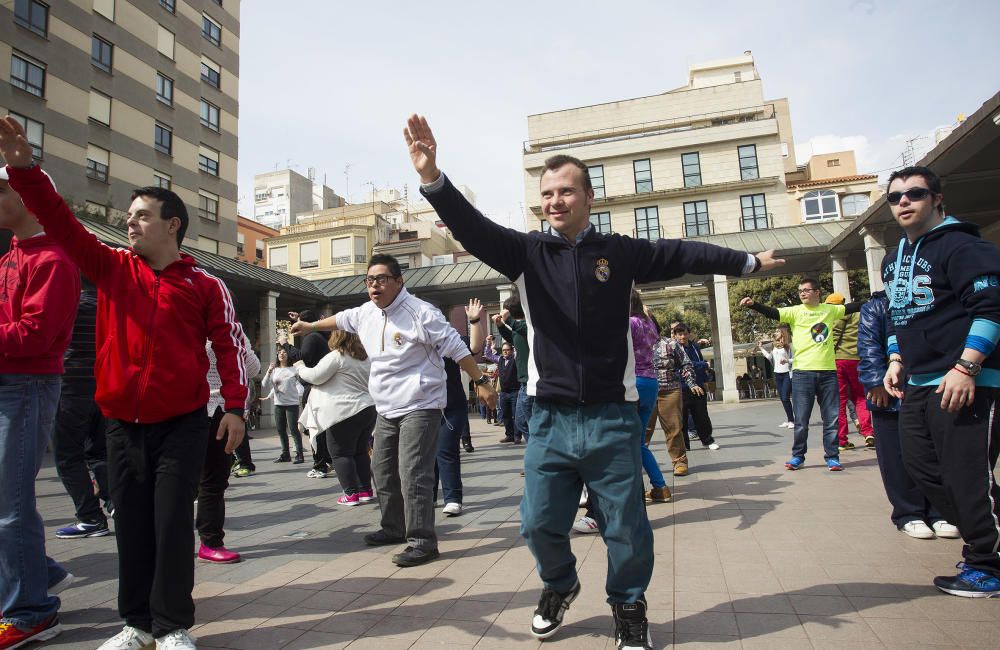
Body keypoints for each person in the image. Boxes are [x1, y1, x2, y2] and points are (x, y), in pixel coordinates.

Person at [403, 114, 782, 648]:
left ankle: (629, 606)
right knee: (537, 524)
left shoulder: (619, 253)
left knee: (625, 526)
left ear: (588, 197)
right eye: (546, 194)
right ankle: (559, 586)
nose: (554, 201)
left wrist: (743, 262)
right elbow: (472, 227)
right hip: (550, 418)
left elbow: (682, 252)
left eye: (565, 191)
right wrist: (433, 176)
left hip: (611, 415)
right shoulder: (527, 253)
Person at [0, 115, 249, 650]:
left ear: (173, 225)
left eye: (141, 216)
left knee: (170, 524)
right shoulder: (110, 267)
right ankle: (135, 625)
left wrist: (234, 407)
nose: (129, 224)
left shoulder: (206, 286)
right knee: (132, 524)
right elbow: (61, 222)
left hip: (182, 424)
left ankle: (173, 626)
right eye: (128, 216)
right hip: (119, 422)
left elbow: (229, 345)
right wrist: (25, 170)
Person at [292, 254, 497, 567]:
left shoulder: (421, 313)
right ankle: (393, 527)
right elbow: (341, 318)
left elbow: (456, 348)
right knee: (382, 471)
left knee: (413, 472)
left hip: (421, 403)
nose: (375, 285)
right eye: (370, 280)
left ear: (399, 281)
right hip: (385, 408)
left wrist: (481, 381)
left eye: (383, 278)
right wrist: (310, 325)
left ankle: (423, 541)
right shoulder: (366, 313)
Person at [880, 166, 1000, 597]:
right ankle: (989, 539)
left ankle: (987, 563)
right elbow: (899, 315)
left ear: (936, 199)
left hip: (966, 378)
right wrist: (896, 357)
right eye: (895, 197)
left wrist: (967, 366)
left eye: (914, 194)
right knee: (922, 469)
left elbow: (991, 308)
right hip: (918, 380)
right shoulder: (892, 259)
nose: (904, 203)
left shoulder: (963, 246)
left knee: (967, 476)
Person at [0, 164, 79, 648]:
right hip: (12, 382)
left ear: (24, 196)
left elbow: (36, 335)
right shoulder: (12, 254)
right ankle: (38, 574)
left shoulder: (52, 258)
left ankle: (31, 610)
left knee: (10, 506)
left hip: (26, 385)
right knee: (8, 502)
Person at [858, 291, 958, 540]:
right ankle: (908, 513)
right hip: (890, 394)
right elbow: (868, 346)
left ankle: (941, 511)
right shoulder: (876, 307)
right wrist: (874, 383)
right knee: (895, 457)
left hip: (932, 389)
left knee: (936, 455)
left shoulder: (936, 297)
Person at [739, 280, 861, 471]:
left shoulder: (829, 310)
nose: (802, 293)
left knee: (831, 418)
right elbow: (773, 312)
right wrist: (754, 304)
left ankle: (832, 457)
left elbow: (851, 307)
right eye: (800, 291)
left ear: (817, 293)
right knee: (801, 420)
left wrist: (876, 298)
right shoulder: (795, 311)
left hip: (828, 373)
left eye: (806, 290)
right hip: (803, 373)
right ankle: (798, 456)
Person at [53, 284, 114, 539]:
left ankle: (90, 517)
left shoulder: (67, 306)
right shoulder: (109, 307)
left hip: (70, 389)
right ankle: (115, 504)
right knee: (99, 452)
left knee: (68, 457)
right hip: (103, 389)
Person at [196, 332, 260, 564]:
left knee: (179, 482)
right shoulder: (232, 333)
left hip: (186, 408)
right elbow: (253, 368)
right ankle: (210, 542)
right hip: (221, 410)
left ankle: (173, 544)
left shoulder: (187, 324)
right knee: (213, 481)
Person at [297, 331, 377, 506]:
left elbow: (315, 376)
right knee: (360, 452)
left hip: (344, 411)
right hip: (368, 409)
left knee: (340, 453)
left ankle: (351, 494)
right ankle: (365, 490)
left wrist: (300, 367)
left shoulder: (337, 356)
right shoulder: (365, 358)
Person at [435, 298, 487, 515]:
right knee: (425, 456)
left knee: (446, 451)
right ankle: (426, 498)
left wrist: (474, 320)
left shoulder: (448, 339)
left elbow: (475, 347)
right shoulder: (412, 342)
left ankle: (453, 498)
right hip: (422, 407)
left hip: (451, 406)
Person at [630, 291, 670, 500]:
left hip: (633, 383)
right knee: (638, 441)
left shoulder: (630, 323)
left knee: (631, 441)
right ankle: (659, 487)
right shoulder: (648, 324)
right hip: (651, 382)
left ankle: (653, 487)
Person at [646, 327, 700, 478]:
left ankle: (679, 462)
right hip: (643, 392)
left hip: (669, 390)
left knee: (673, 428)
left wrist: (691, 383)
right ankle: (638, 463)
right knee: (643, 431)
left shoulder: (670, 344)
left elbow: (686, 364)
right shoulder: (634, 344)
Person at [825, 292, 875, 451]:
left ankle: (841, 439)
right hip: (857, 359)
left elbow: (834, 336)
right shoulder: (861, 314)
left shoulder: (840, 314)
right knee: (861, 397)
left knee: (839, 400)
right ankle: (868, 433)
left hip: (839, 360)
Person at [294, 309, 335, 478]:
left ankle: (320, 464)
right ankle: (327, 460)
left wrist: (287, 346)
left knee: (314, 428)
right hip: (325, 388)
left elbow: (305, 361)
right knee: (322, 428)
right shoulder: (323, 338)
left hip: (314, 387)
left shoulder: (311, 338)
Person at [672, 323, 720, 451]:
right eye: (680, 334)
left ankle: (707, 440)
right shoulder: (673, 349)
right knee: (682, 418)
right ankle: (684, 445)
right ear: (675, 336)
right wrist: (703, 364)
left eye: (685, 333)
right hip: (681, 387)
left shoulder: (694, 347)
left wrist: (704, 381)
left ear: (689, 334)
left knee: (702, 416)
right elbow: (683, 365)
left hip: (698, 386)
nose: (683, 336)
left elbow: (697, 363)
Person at [496, 293, 533, 443]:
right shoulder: (519, 329)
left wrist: (507, 318)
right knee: (521, 422)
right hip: (523, 384)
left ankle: (538, 451)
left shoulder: (528, 325)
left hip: (531, 382)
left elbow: (517, 327)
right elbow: (513, 337)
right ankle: (536, 448)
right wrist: (500, 326)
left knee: (528, 423)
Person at [263, 348, 304, 464]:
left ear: (288, 355)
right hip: (278, 404)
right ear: (277, 355)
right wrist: (268, 371)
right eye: (280, 352)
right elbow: (264, 384)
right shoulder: (274, 370)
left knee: (293, 429)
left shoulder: (294, 369)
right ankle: (285, 454)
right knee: (281, 430)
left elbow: (300, 385)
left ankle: (299, 454)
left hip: (292, 404)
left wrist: (298, 395)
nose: (282, 354)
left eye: (284, 352)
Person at [757, 328, 794, 428]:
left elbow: (795, 359)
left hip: (787, 373)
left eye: (777, 331)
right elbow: (769, 357)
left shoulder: (788, 346)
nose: (775, 333)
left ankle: (792, 421)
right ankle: (789, 419)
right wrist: (761, 348)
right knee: (782, 398)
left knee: (786, 398)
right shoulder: (774, 346)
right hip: (777, 374)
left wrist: (786, 361)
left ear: (783, 334)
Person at [495, 342, 520, 443]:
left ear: (511, 350)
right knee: (506, 415)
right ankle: (509, 435)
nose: (505, 352)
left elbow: (519, 352)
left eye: (507, 350)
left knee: (516, 415)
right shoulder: (500, 359)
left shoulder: (515, 359)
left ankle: (517, 436)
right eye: (503, 350)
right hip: (504, 393)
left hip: (515, 392)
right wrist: (488, 345)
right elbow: (488, 355)